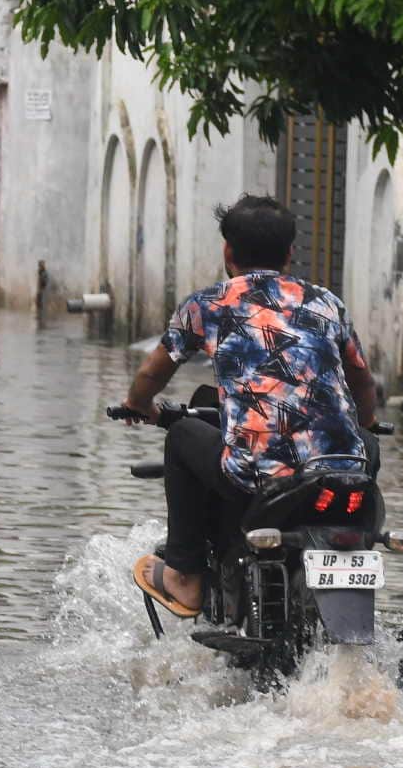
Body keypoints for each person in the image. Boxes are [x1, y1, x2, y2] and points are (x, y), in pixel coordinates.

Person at [120, 194, 378, 619]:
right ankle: (357, 546)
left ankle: (185, 575)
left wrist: (137, 404)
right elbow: (362, 380)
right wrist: (366, 422)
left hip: (258, 477)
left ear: (228, 251)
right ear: (290, 253)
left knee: (181, 435)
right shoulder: (326, 303)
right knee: (366, 444)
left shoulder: (208, 304)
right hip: (339, 473)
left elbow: (152, 372)